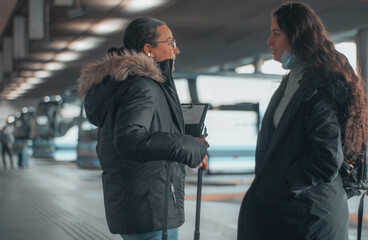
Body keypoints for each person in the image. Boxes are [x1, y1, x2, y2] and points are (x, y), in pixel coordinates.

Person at [237, 2, 368, 240]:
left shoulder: (322, 87)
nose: (269, 41)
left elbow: (326, 159)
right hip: (295, 214)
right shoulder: (294, 83)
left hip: (310, 218)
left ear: (297, 36)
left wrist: (282, 183)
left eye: (276, 34)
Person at [77, 17, 209, 240]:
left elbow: (146, 130)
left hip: (141, 206)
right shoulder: (142, 86)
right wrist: (188, 146)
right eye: (170, 42)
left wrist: (190, 138)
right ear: (149, 50)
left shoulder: (128, 85)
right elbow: (130, 139)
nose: (176, 49)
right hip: (150, 208)